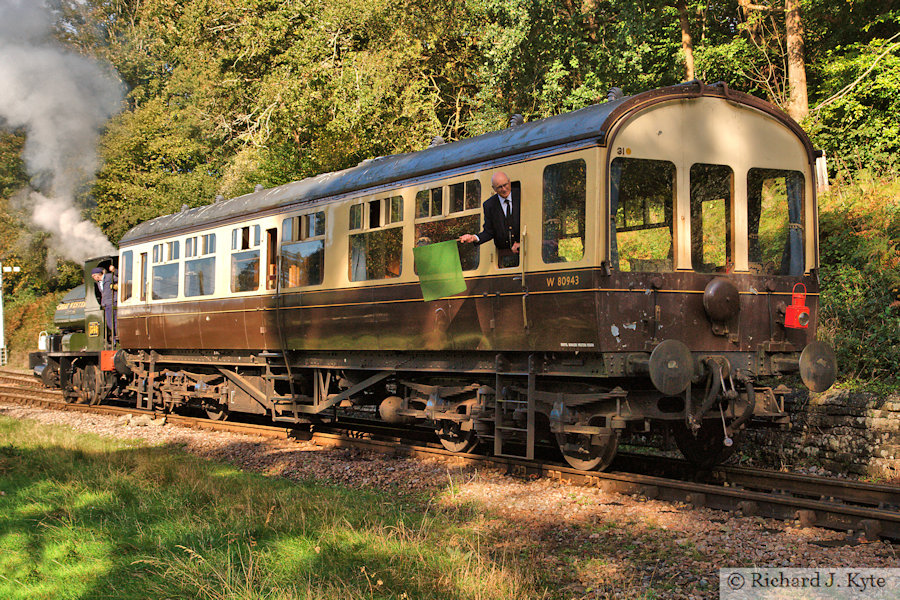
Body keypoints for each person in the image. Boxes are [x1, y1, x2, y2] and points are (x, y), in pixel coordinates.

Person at [458, 171, 520, 264]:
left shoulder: (521, 195)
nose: (504, 189)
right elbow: (489, 232)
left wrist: (521, 243)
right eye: (500, 187)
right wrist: (473, 238)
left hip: (526, 253)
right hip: (504, 259)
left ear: (509, 182)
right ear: (494, 188)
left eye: (505, 185)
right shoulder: (489, 205)